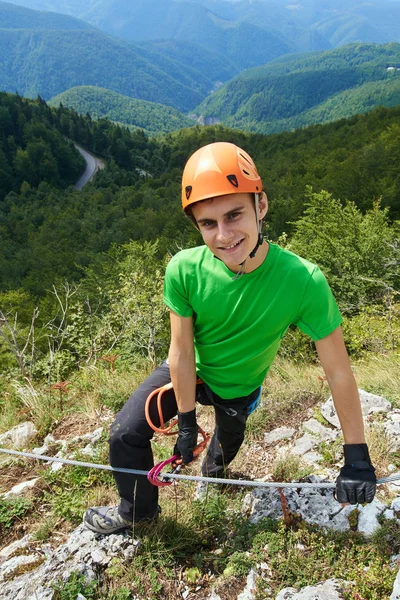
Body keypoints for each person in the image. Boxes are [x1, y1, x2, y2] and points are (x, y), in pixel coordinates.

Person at [83, 141, 376, 534]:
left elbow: (339, 373)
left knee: (225, 449)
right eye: (208, 223)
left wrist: (356, 454)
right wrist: (186, 420)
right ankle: (136, 512)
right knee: (124, 434)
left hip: (238, 386)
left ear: (262, 206)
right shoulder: (184, 269)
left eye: (234, 214)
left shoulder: (303, 281)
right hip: (189, 372)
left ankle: (214, 478)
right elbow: (182, 351)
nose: (223, 235)